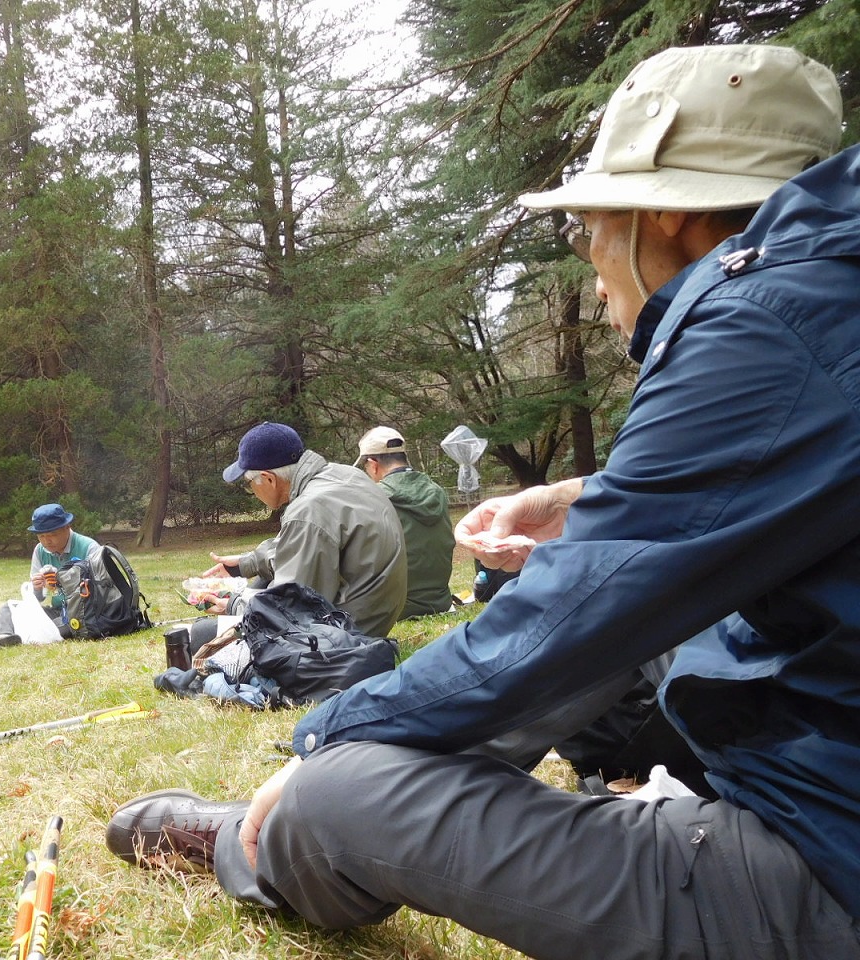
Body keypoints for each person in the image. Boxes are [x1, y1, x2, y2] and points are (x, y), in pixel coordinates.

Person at [105, 45, 860, 959]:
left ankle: (267, 839)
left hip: (825, 869)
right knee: (589, 612)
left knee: (344, 783)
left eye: (591, 225)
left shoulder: (759, 316)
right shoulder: (829, 298)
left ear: (670, 209)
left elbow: (560, 626)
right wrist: (585, 501)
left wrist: (326, 740)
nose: (591, 263)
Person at [191, 421, 406, 644]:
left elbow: (292, 610)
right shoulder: (344, 476)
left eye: (248, 483)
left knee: (199, 634)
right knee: (262, 584)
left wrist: (233, 604)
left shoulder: (308, 510)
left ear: (269, 479)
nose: (251, 491)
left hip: (346, 636)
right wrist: (246, 564)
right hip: (370, 613)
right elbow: (300, 552)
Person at [0, 503, 102, 651]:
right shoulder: (40, 551)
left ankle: (25, 635)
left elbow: (102, 590)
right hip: (58, 609)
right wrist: (37, 588)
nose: (47, 541)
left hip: (83, 613)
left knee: (53, 626)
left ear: (67, 527)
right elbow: (38, 598)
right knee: (7, 608)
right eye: (41, 536)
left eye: (52, 535)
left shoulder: (89, 547)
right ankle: (3, 637)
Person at [354, 426, 455, 617]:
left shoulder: (374, 498)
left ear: (373, 464)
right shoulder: (437, 491)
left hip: (394, 608)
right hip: (440, 601)